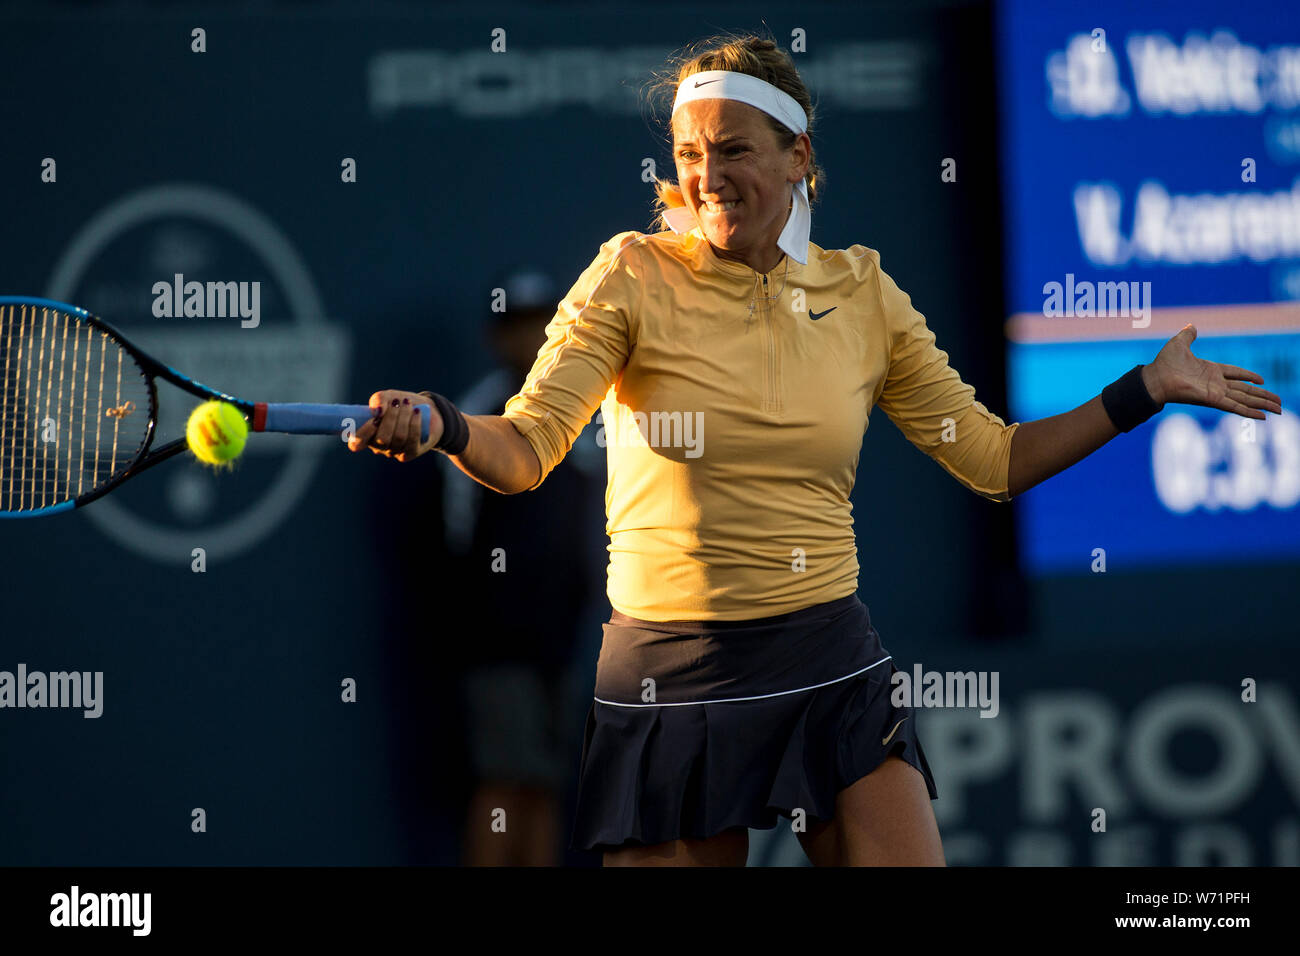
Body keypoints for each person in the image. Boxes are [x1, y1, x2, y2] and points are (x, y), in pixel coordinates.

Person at [349, 34, 1281, 867]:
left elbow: (995, 462)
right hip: (673, 670)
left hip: (826, 660)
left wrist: (1143, 391)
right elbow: (524, 449)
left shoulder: (864, 294)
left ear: (799, 157)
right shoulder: (630, 275)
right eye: (688, 154)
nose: (706, 176)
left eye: (734, 150)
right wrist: (441, 424)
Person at [443, 269, 602, 866]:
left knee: (548, 781)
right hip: (495, 645)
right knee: (504, 780)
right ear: (495, 337)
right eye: (517, 325)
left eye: (542, 323)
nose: (532, 338)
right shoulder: (471, 417)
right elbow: (454, 538)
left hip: (567, 642)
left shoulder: (589, 419)